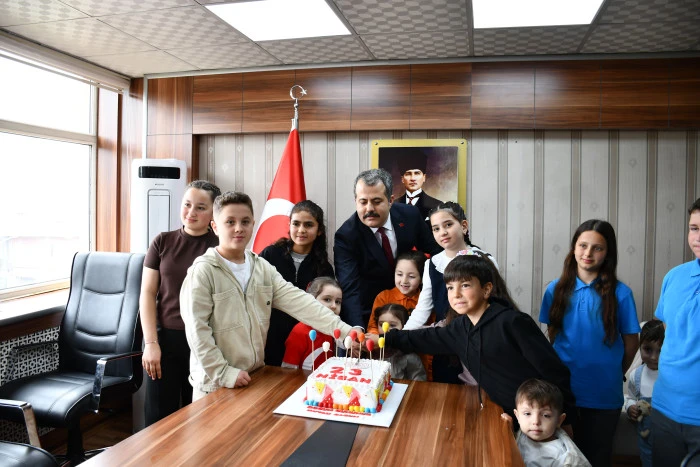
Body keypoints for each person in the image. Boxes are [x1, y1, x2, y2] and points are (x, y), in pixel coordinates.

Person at [180, 191, 357, 400]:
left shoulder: (262, 268)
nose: (239, 228)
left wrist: (345, 331)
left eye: (245, 221)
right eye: (230, 222)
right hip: (214, 385)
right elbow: (197, 331)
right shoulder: (203, 271)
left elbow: (301, 303)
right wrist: (224, 373)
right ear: (215, 226)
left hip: (254, 378)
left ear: (253, 224)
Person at [385, 255, 576, 430]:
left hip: (537, 422)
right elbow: (424, 338)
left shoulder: (513, 322)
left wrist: (566, 421)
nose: (456, 294)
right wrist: (385, 338)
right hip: (504, 417)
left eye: (465, 285)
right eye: (450, 287)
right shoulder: (459, 327)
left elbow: (555, 371)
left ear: (486, 289)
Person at [539, 219, 640, 467]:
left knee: (597, 459)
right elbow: (553, 334)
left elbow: (631, 342)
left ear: (608, 253)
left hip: (604, 394)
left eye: (598, 248)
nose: (588, 253)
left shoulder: (621, 293)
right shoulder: (554, 290)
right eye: (583, 245)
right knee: (561, 459)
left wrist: (615, 371)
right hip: (563, 392)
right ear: (573, 248)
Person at [139, 180, 221, 427]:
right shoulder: (162, 241)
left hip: (206, 341)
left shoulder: (220, 247)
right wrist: (151, 343)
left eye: (200, 207)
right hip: (165, 340)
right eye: (187, 204)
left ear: (213, 213)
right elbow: (147, 293)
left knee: (199, 420)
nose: (191, 212)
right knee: (157, 420)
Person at [334, 168, 441, 328]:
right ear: (356, 201)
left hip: (413, 307)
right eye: (363, 202)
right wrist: (357, 328)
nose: (369, 208)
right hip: (371, 314)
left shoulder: (410, 216)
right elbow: (350, 288)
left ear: (390, 200)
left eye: (377, 201)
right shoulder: (346, 236)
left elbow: (437, 253)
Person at [650, 198, 700, 467]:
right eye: (694, 228)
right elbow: (669, 332)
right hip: (665, 408)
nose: (698, 237)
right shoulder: (674, 276)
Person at [403, 201, 498, 330]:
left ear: (463, 226)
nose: (442, 232)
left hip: (479, 330)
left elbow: (495, 301)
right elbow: (423, 309)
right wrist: (401, 335)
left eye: (448, 225)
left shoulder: (484, 259)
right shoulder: (432, 264)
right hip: (445, 333)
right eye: (436, 229)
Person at [260, 200, 334, 366]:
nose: (301, 230)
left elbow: (325, 307)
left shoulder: (323, 267)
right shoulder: (270, 254)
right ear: (289, 225)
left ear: (319, 230)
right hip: (269, 336)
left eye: (308, 225)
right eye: (296, 224)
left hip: (305, 341)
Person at [509, 379, 591, 467]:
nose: (535, 422)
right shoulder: (522, 434)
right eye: (527, 414)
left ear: (559, 421)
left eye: (546, 415)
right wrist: (508, 427)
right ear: (517, 416)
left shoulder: (562, 457)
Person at [623, 320, 664, 467]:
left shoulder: (671, 376)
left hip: (670, 444)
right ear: (639, 347)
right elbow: (630, 398)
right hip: (646, 444)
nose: (654, 357)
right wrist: (630, 407)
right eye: (648, 349)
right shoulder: (636, 376)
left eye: (660, 351)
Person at [282, 277, 342, 371]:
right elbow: (288, 369)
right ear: (310, 301)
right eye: (327, 299)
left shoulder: (333, 330)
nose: (334, 306)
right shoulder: (299, 332)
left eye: (338, 302)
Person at [366, 250, 426, 335]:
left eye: (411, 276)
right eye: (399, 274)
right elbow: (373, 327)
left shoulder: (425, 300)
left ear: (422, 278)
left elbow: (428, 329)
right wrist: (379, 339)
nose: (404, 281)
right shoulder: (384, 297)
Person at [375, 303, 427, 381]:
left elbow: (419, 381)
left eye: (392, 325)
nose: (386, 329)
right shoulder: (373, 353)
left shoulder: (409, 356)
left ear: (405, 326)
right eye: (382, 325)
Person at [393, 148, 442, 223]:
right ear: (402, 179)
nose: (413, 178)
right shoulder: (393, 205)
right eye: (408, 174)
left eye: (417, 173)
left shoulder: (437, 205)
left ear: (424, 177)